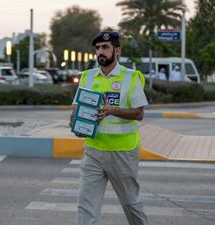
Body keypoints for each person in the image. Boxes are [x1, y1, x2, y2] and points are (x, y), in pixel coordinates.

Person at [69, 31, 149, 225]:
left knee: (131, 204)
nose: (100, 52)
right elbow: (75, 110)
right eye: (97, 49)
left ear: (117, 51)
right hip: (94, 151)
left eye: (105, 48)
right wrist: (75, 123)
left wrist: (112, 111)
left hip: (122, 153)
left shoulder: (130, 77)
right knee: (86, 204)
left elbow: (139, 114)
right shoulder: (87, 77)